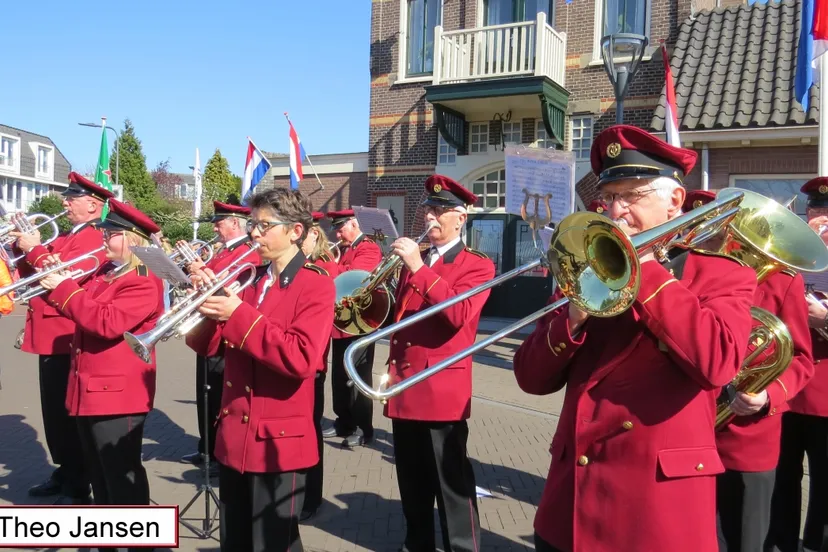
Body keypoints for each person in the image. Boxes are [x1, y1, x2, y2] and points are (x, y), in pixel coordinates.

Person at [513, 125, 758, 552]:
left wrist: (644, 270)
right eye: (609, 197)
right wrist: (571, 318)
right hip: (569, 507)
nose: (616, 211)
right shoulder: (585, 269)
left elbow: (718, 363)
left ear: (675, 201)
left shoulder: (722, 273)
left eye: (632, 195)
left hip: (656, 515)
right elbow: (530, 378)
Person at [194, 188, 335, 552]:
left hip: (278, 442)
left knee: (274, 544)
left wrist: (237, 315)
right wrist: (207, 306)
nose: (254, 233)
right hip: (234, 438)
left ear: (295, 231)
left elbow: (301, 358)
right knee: (236, 542)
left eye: (264, 225)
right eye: (253, 224)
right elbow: (206, 347)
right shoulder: (250, 279)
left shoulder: (315, 284)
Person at [682, 190, 815, 552]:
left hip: (746, 439)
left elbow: (801, 358)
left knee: (747, 541)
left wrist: (768, 395)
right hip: (686, 434)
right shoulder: (684, 272)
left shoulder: (783, 282)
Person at [37, 199, 164, 540]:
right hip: (91, 390)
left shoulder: (142, 280)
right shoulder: (108, 274)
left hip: (117, 396)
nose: (104, 238)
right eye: (106, 232)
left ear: (133, 239)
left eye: (112, 234)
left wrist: (62, 287)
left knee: (122, 480)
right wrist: (54, 278)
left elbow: (105, 322)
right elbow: (79, 307)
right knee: (101, 478)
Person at [382, 175, 494, 552]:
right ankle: (417, 544)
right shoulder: (415, 261)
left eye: (440, 211)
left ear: (460, 219)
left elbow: (458, 314)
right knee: (411, 485)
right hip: (404, 386)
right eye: (427, 209)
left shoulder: (476, 265)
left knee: (452, 487)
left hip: (441, 390)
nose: (430, 217)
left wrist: (417, 266)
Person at [11, 172, 112, 504]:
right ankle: (67, 469)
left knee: (67, 414)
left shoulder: (94, 239)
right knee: (54, 413)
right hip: (49, 333)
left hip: (66, 332)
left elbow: (61, 276)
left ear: (93, 205)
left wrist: (36, 247)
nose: (64, 202)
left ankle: (78, 480)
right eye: (67, 197)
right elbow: (32, 272)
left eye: (72, 198)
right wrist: (18, 244)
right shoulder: (69, 235)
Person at [766, 178, 828, 552]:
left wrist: (824, 318)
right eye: (815, 211)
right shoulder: (790, 257)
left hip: (826, 394)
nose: (820, 219)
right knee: (781, 474)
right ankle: (781, 542)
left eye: (826, 212)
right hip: (786, 384)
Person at [179, 200, 261, 469]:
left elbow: (232, 287)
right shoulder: (220, 252)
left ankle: (218, 452)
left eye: (219, 221)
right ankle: (206, 448)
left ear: (235, 223)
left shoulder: (249, 253)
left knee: (217, 396)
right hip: (207, 329)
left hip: (225, 333)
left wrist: (202, 271)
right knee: (205, 393)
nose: (215, 226)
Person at [324, 209, 382, 447]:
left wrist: (328, 264)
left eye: (341, 228)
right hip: (341, 322)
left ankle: (362, 427)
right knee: (339, 375)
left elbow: (353, 278)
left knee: (358, 376)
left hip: (360, 324)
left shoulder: (368, 248)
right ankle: (343, 420)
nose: (337, 233)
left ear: (354, 224)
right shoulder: (344, 249)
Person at [299, 210, 339, 521]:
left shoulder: (324, 267)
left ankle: (311, 497)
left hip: (313, 362)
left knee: (311, 430)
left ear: (314, 234)